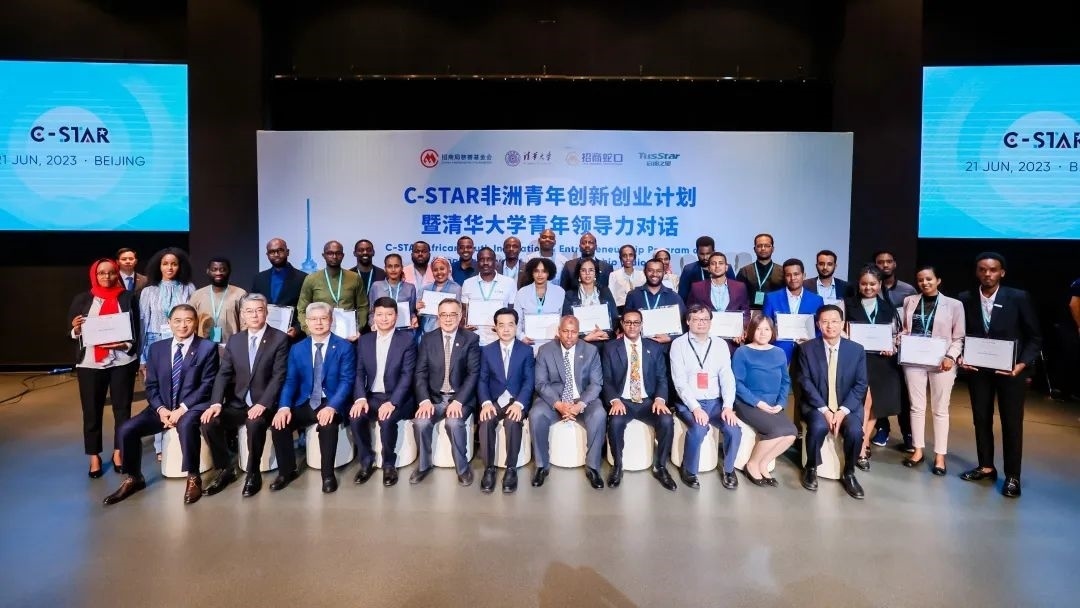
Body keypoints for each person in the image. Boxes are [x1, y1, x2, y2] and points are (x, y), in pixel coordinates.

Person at [103, 304, 219, 505]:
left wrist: (181, 409)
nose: (182, 325)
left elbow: (207, 385)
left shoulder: (207, 348)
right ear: (169, 323)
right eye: (177, 321)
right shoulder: (157, 349)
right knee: (127, 429)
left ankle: (193, 477)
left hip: (192, 407)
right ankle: (134, 477)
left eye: (188, 320)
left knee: (186, 425)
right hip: (162, 407)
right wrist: (161, 409)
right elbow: (151, 386)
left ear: (195, 323)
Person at [958, 252, 1041, 498]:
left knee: (1011, 423)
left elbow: (1035, 336)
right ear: (976, 272)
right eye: (982, 269)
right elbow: (960, 333)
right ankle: (986, 466)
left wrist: (1022, 364)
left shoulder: (1018, 297)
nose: (987, 274)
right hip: (978, 371)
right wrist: (961, 356)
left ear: (1002, 272)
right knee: (981, 419)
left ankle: (1013, 476)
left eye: (993, 269)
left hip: (1010, 371)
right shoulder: (965, 298)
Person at [200, 293, 290, 497]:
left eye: (259, 310)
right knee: (209, 422)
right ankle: (225, 469)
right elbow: (223, 374)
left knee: (255, 423)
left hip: (266, 404)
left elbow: (279, 376)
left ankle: (253, 472)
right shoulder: (236, 340)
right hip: (239, 403)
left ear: (266, 312)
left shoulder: (279, 338)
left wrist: (263, 403)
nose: (254, 315)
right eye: (249, 311)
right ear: (242, 315)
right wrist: (216, 403)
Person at [269, 302, 357, 494]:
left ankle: (328, 475)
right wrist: (284, 407)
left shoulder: (344, 347)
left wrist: (332, 406)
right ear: (307, 322)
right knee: (279, 424)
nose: (318, 323)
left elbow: (346, 381)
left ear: (331, 320)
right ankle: (286, 472)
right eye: (313, 319)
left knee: (328, 425)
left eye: (323, 318)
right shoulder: (297, 348)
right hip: (306, 400)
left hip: (331, 400)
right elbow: (291, 381)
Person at [69, 258, 141, 478]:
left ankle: (119, 451)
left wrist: (125, 345)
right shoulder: (82, 299)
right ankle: (94, 456)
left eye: (111, 272)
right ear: (95, 275)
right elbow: (72, 332)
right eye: (102, 273)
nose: (107, 277)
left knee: (122, 410)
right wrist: (76, 329)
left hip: (122, 361)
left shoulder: (128, 297)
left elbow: (137, 328)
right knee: (91, 411)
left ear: (117, 274)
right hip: (90, 363)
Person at [797, 304, 868, 500]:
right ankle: (811, 467)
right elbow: (804, 381)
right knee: (818, 427)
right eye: (825, 322)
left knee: (855, 431)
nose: (830, 326)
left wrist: (842, 411)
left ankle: (849, 472)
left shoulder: (856, 350)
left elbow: (861, 384)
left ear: (842, 323)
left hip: (847, 406)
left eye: (835, 321)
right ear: (818, 325)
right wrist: (825, 410)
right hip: (816, 405)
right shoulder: (806, 349)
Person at [899, 265, 965, 476]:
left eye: (929, 279)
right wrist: (900, 339)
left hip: (941, 362)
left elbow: (959, 337)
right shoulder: (910, 301)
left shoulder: (954, 305)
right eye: (920, 280)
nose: (924, 283)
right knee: (916, 407)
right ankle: (918, 450)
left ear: (938, 280)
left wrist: (951, 356)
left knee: (940, 409)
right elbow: (906, 329)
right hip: (914, 360)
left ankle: (940, 456)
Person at [602, 310, 677, 491]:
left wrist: (660, 399)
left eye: (636, 322)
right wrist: (614, 400)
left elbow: (661, 378)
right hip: (623, 401)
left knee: (667, 420)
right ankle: (618, 466)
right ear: (622, 324)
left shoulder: (654, 347)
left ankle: (660, 467)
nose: (632, 326)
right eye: (628, 322)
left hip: (648, 401)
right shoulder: (610, 348)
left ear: (642, 325)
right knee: (615, 422)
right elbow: (607, 379)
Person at [669, 305, 742, 490]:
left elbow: (727, 377)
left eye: (705, 319)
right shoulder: (678, 344)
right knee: (699, 428)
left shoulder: (720, 344)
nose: (701, 323)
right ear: (688, 321)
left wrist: (727, 406)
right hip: (689, 402)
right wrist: (695, 408)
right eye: (696, 319)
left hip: (715, 402)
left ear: (710, 322)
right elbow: (680, 381)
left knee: (734, 429)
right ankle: (688, 469)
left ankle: (729, 469)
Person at [529, 316, 607, 489]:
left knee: (599, 414)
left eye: (574, 332)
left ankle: (593, 467)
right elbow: (541, 383)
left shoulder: (591, 351)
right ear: (559, 331)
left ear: (579, 332)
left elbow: (596, 384)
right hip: (555, 398)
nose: (569, 336)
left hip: (582, 398)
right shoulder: (545, 350)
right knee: (536, 414)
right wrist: (559, 404)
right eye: (565, 331)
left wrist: (579, 405)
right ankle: (541, 466)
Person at [410, 299, 481, 486]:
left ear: (460, 316)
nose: (448, 319)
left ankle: (463, 468)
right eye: (443, 315)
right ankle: (424, 465)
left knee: (453, 422)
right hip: (434, 398)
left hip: (460, 398)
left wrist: (458, 401)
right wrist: (424, 400)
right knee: (421, 422)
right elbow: (420, 373)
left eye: (452, 314)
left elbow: (473, 374)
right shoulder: (428, 339)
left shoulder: (471, 339)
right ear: (438, 317)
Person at [348, 297, 417, 488]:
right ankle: (366, 461)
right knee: (355, 417)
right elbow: (359, 372)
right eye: (379, 314)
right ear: (374, 316)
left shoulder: (407, 340)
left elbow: (407, 376)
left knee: (387, 420)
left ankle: (388, 464)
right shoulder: (365, 340)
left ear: (396, 316)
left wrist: (393, 402)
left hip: (398, 397)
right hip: (372, 396)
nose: (384, 318)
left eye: (389, 314)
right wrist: (360, 398)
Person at [137, 247, 197, 460]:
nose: (169, 268)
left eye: (174, 264)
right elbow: (143, 324)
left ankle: (181, 439)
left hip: (182, 344)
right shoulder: (148, 291)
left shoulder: (188, 288)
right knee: (160, 396)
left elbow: (193, 320)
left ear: (180, 266)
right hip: (156, 345)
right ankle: (160, 444)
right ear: (158, 266)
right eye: (165, 264)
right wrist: (142, 357)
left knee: (181, 393)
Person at [843, 266, 903, 471]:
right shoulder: (848, 304)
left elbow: (895, 335)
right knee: (863, 403)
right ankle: (860, 445)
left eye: (872, 284)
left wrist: (892, 346)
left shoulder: (888, 307)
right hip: (856, 360)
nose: (868, 287)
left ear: (879, 285)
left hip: (881, 362)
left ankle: (863, 442)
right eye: (864, 284)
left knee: (875, 404)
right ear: (858, 284)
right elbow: (841, 330)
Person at [732, 315, 797, 487]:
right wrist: (758, 403)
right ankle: (752, 464)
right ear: (751, 331)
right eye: (758, 329)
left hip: (773, 404)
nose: (763, 333)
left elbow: (785, 381)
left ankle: (763, 463)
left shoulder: (779, 353)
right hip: (748, 403)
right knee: (775, 431)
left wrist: (781, 404)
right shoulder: (742, 352)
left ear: (772, 331)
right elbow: (737, 383)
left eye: (767, 329)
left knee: (791, 433)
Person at [476, 307, 535, 494]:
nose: (506, 329)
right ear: (495, 327)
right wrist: (486, 403)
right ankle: (489, 469)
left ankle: (511, 469)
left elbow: (529, 381)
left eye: (510, 325)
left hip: (516, 400)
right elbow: (482, 380)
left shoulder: (526, 351)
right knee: (485, 421)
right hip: (494, 399)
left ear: (516, 326)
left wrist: (519, 404)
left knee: (512, 422)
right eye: (501, 325)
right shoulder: (487, 351)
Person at [297, 240, 367, 339]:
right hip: (320, 335)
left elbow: (362, 307)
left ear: (342, 255)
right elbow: (302, 309)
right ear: (324, 255)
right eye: (330, 253)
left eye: (338, 253)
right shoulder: (311, 279)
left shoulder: (354, 278)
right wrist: (309, 331)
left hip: (349, 335)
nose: (334, 256)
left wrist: (358, 329)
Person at [762, 258, 825, 363]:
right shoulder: (771, 298)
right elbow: (765, 326)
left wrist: (812, 343)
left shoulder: (817, 300)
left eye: (796, 274)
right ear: (784, 277)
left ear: (804, 275)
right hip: (778, 355)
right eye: (788, 275)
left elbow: (820, 329)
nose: (793, 278)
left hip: (808, 354)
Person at [687, 252, 750, 351]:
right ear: (709, 268)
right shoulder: (697, 287)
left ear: (726, 267)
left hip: (732, 340)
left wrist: (742, 329)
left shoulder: (739, 287)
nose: (717, 266)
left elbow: (745, 312)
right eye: (713, 263)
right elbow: (690, 311)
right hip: (705, 339)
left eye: (721, 263)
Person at [250, 238, 307, 340]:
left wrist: (297, 329)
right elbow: (253, 305)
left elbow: (307, 308)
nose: (276, 254)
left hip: (291, 336)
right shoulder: (259, 278)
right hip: (264, 335)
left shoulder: (302, 278)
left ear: (287, 252)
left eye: (280, 250)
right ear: (267, 255)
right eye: (272, 252)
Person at [460, 247, 516, 346]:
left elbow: (512, 310)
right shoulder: (468, 283)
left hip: (499, 339)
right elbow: (464, 311)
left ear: (495, 262)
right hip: (474, 339)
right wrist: (463, 327)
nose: (485, 263)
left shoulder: (509, 283)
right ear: (477, 262)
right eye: (481, 260)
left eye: (489, 259)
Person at [625, 258, 687, 345]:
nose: (654, 274)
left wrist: (670, 338)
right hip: (640, 346)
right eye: (650, 270)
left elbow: (685, 325)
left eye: (659, 271)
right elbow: (626, 321)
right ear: (644, 272)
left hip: (666, 347)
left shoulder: (674, 297)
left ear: (664, 272)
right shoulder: (633, 295)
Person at [189, 257, 246, 345]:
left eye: (222, 270)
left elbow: (245, 324)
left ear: (229, 271)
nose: (218, 273)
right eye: (214, 269)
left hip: (232, 346)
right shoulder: (197, 295)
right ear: (208, 271)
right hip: (202, 347)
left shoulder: (240, 294)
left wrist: (242, 345)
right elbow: (191, 322)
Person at [561, 257, 618, 343]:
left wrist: (606, 334)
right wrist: (584, 339)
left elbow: (614, 317)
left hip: (603, 339)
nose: (587, 273)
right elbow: (567, 321)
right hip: (580, 342)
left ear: (595, 273)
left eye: (591, 270)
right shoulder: (570, 295)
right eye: (583, 270)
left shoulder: (605, 291)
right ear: (579, 274)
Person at [515, 257, 566, 350]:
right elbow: (517, 320)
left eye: (544, 271)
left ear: (549, 273)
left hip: (553, 343)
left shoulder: (560, 292)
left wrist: (560, 335)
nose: (540, 275)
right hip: (528, 343)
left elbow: (563, 317)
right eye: (536, 271)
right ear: (532, 273)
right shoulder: (522, 293)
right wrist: (521, 337)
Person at [368, 253, 418, 331]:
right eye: (389, 266)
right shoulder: (376, 286)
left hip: (403, 331)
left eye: (397, 266)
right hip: (382, 331)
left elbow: (411, 312)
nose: (393, 269)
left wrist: (413, 318)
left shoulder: (410, 288)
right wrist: (373, 324)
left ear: (402, 268)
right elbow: (371, 312)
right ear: (385, 268)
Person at [736, 233, 784, 309]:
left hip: (775, 311)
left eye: (767, 246)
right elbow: (737, 296)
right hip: (750, 312)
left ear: (773, 249)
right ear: (754, 249)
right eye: (759, 246)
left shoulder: (782, 271)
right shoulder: (744, 271)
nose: (763, 248)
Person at [416, 257, 462, 335]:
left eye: (442, 269)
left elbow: (458, 313)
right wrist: (417, 309)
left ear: (448, 270)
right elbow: (418, 315)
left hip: (448, 332)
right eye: (435, 270)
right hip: (425, 332)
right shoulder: (424, 289)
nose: (439, 272)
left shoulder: (456, 289)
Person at [678, 235, 729, 303]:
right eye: (702, 254)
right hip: (697, 308)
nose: (705, 257)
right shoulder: (688, 270)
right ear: (696, 252)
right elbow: (682, 298)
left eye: (708, 254)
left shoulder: (725, 268)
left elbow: (734, 292)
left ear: (714, 252)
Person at [608, 244, 645, 312]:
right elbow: (611, 296)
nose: (628, 258)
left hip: (639, 309)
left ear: (634, 257)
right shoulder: (614, 275)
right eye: (624, 255)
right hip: (620, 310)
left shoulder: (642, 275)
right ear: (620, 258)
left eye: (631, 255)